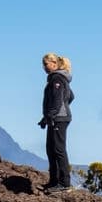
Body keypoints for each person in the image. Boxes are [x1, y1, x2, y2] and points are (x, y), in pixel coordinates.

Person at [38, 53, 74, 190]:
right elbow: (70, 96)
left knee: (58, 150)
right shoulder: (57, 78)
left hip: (59, 119)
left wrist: (53, 114)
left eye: (46, 64)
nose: (44, 67)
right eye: (43, 64)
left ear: (54, 63)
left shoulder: (57, 78)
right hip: (57, 117)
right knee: (50, 149)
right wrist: (46, 118)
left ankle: (64, 184)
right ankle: (54, 182)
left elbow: (58, 99)